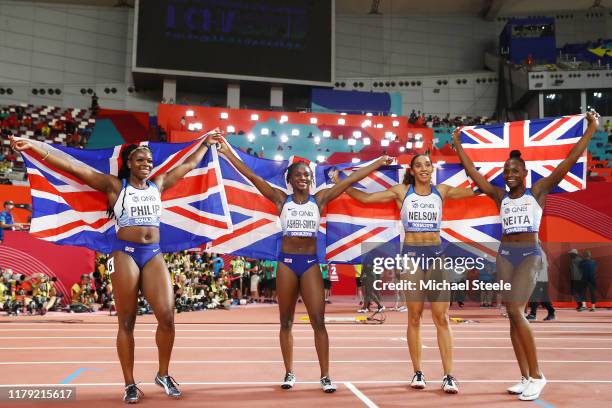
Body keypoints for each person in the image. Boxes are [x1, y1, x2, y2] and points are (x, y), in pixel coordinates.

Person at [11, 130, 221, 403]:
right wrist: (36, 148)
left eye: (149, 161)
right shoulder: (115, 186)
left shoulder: (159, 183)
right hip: (125, 254)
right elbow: (75, 168)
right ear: (129, 164)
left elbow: (189, 165)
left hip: (153, 253)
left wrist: (206, 143)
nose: (146, 164)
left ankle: (163, 374)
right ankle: (130, 384)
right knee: (127, 321)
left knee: (167, 317)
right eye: (140, 160)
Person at [218, 140, 392, 393]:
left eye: (307, 175)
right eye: (298, 174)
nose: (303, 178)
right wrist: (227, 153)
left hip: (310, 264)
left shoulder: (320, 200)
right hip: (287, 263)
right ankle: (289, 372)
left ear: (311, 181)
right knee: (286, 322)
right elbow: (251, 175)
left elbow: (349, 181)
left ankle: (325, 375)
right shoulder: (280, 199)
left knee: (318, 322)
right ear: (290, 179)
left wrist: (378, 162)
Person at [452, 111, 599, 401]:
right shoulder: (499, 195)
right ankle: (524, 376)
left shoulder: (538, 191)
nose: (509, 174)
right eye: (506, 170)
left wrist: (592, 128)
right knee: (510, 314)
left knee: (517, 311)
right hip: (505, 254)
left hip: (530, 253)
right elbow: (473, 174)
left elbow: (568, 161)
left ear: (525, 173)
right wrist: (458, 143)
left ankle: (537, 375)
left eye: (515, 170)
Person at [332, 154, 476, 393]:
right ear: (412, 169)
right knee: (415, 316)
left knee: (442, 317)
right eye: (418, 165)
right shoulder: (401, 192)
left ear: (433, 169)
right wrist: (343, 182)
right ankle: (418, 372)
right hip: (411, 256)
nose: (424, 168)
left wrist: (473, 160)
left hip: (436, 255)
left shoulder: (442, 190)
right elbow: (366, 198)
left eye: (427, 165)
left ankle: (448, 375)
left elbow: (477, 190)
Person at [527, 254, 555, 321]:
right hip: (539, 279)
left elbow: (542, 266)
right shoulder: (536, 252)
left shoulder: (539, 253)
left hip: (540, 279)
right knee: (543, 298)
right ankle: (551, 312)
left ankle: (533, 314)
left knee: (535, 296)